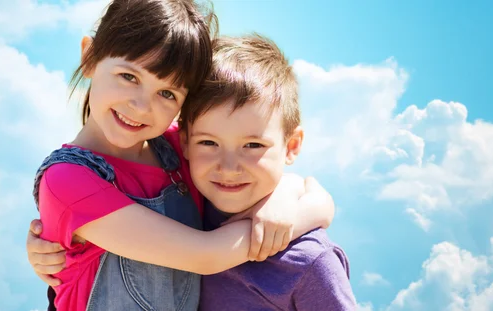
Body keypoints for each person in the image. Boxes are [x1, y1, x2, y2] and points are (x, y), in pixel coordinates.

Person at [27, 1, 335, 310]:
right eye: (129, 76)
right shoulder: (66, 180)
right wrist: (293, 221)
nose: (142, 106)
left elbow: (308, 191)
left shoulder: (181, 147)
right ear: (90, 56)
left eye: (167, 94)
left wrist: (283, 197)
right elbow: (205, 255)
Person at [180, 34, 357, 310]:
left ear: (292, 145)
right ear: (184, 142)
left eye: (252, 145)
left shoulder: (310, 262)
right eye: (208, 142)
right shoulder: (180, 213)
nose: (228, 167)